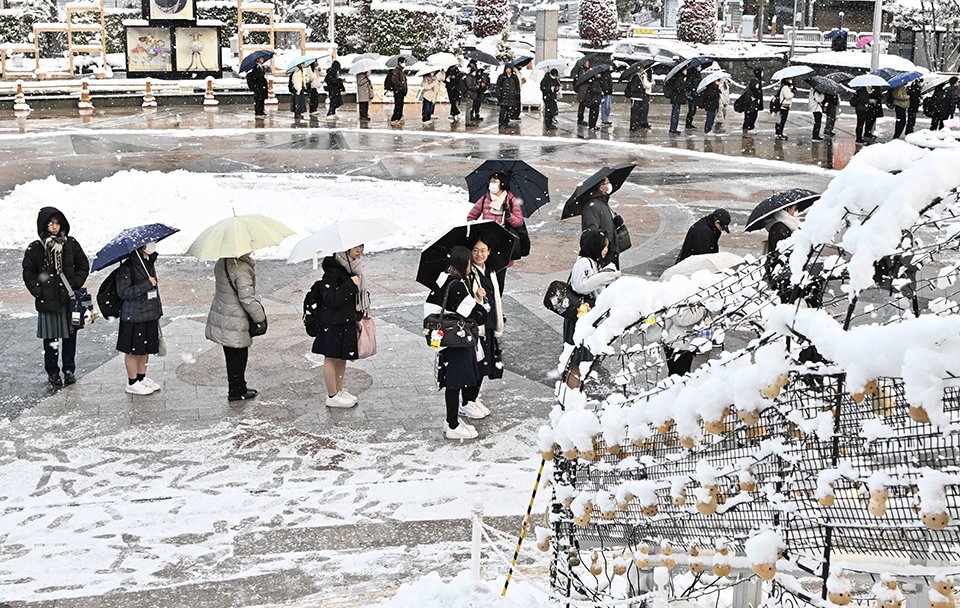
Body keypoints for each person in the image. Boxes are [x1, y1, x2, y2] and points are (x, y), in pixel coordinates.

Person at [424, 246, 489, 440]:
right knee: (455, 382)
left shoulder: (444, 276)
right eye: (469, 261)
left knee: (452, 381)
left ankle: (451, 421)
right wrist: (481, 302)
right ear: (463, 263)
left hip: (445, 336)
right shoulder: (456, 285)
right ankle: (452, 424)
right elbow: (478, 315)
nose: (472, 264)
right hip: (456, 339)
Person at [22, 207, 89, 387]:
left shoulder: (70, 244)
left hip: (68, 298)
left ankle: (69, 369)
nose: (54, 227)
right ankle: (52, 372)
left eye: (57, 223)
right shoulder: (36, 248)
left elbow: (83, 265)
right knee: (51, 340)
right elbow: (30, 273)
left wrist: (74, 283)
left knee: (70, 336)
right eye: (50, 223)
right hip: (48, 301)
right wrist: (39, 290)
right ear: (44, 225)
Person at [310, 245, 368, 408]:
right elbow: (331, 299)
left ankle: (339, 390)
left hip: (345, 321)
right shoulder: (332, 272)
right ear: (345, 250)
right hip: (333, 323)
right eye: (355, 247)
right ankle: (332, 394)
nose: (359, 251)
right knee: (331, 358)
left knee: (342, 358)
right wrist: (350, 284)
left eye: (361, 246)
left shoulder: (351, 269)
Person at [563, 229, 621, 389]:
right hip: (579, 319)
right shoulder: (584, 263)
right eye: (604, 246)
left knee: (581, 360)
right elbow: (582, 286)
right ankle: (571, 395)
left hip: (583, 318)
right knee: (576, 361)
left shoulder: (591, 262)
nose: (606, 250)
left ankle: (574, 393)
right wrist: (607, 275)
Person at [205, 254, 266, 403]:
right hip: (236, 318)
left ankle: (237, 387)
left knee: (231, 355)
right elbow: (247, 299)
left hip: (224, 314)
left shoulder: (221, 262)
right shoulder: (241, 268)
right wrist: (260, 318)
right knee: (239, 355)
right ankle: (237, 391)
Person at [115, 242, 162, 395]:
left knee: (145, 349)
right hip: (133, 316)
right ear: (141, 246)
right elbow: (124, 292)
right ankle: (132, 382)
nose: (153, 245)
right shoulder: (127, 267)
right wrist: (146, 285)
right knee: (133, 350)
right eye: (149, 243)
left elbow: (155, 290)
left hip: (149, 313)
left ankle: (142, 378)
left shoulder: (149, 263)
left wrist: (158, 310)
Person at [464, 237, 503, 419]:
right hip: (476, 326)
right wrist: (476, 295)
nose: (480, 254)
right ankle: (466, 402)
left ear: (489, 252)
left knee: (483, 364)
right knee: (475, 365)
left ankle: (473, 398)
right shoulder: (469, 273)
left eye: (483, 250)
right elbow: (465, 302)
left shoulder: (491, 271)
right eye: (475, 250)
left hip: (488, 323)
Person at [467, 172, 524, 293]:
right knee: (484, 276)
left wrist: (508, 215)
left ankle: (497, 304)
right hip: (486, 243)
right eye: (491, 181)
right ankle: (486, 302)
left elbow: (518, 222)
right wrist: (478, 229)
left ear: (502, 184)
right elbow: (471, 217)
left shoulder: (511, 200)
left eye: (495, 181)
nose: (492, 184)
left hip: (502, 244)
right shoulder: (484, 199)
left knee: (499, 278)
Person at [580, 176, 622, 268]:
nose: (609, 185)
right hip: (603, 255)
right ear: (600, 186)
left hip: (610, 252)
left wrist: (614, 224)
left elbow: (603, 224)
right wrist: (604, 244)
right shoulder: (592, 206)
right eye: (607, 182)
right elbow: (591, 231)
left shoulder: (602, 202)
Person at [245, 55, 269, 119]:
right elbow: (256, 77)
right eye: (261, 58)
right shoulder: (256, 67)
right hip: (259, 87)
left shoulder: (261, 67)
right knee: (259, 100)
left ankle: (261, 111)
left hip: (261, 87)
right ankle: (258, 112)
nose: (263, 59)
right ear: (258, 59)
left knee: (261, 100)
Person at [666, 69, 687, 134]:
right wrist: (684, 86)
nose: (686, 71)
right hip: (676, 99)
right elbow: (676, 88)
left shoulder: (679, 77)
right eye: (685, 70)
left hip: (677, 99)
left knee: (676, 114)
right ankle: (673, 129)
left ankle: (673, 128)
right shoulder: (678, 78)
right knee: (675, 114)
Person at [388, 57, 408, 125]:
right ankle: (395, 119)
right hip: (398, 91)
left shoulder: (401, 71)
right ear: (399, 63)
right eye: (403, 62)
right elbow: (395, 81)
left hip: (401, 91)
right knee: (398, 105)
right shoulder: (396, 71)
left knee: (400, 105)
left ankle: (398, 118)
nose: (404, 64)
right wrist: (401, 85)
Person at [573, 58, 590, 125]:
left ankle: (582, 119)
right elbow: (582, 79)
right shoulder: (581, 71)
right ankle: (580, 119)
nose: (588, 64)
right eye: (587, 62)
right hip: (582, 91)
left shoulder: (587, 70)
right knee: (582, 105)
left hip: (586, 90)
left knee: (583, 105)